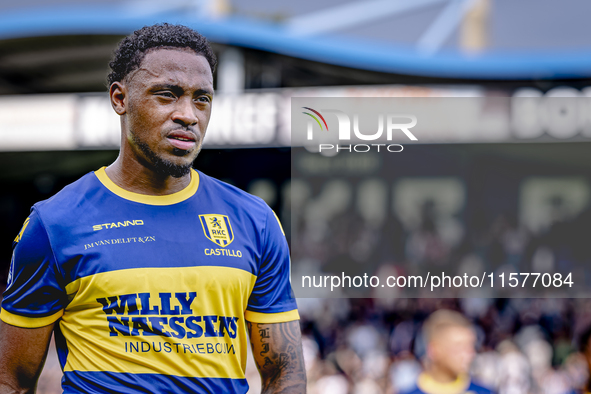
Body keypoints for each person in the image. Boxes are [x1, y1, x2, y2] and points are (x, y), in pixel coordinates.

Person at [0, 23, 306, 394]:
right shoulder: (54, 223)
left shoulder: (255, 220)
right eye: (167, 95)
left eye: (202, 99)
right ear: (119, 98)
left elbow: (285, 376)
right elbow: (12, 382)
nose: (188, 115)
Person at [402, 309, 494, 394]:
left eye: (471, 345)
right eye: (459, 346)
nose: (471, 354)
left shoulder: (484, 391)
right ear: (434, 350)